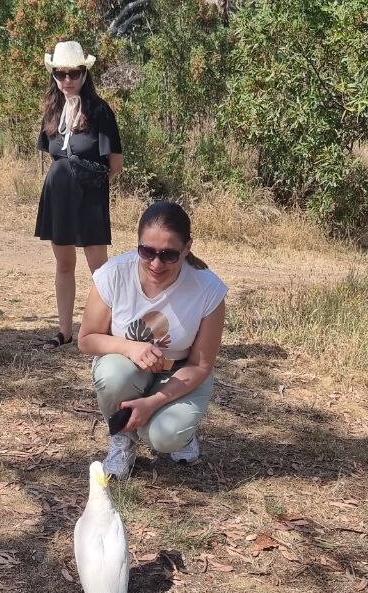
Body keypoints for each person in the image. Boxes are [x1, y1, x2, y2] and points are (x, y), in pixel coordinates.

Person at [78, 200, 227, 478]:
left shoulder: (208, 290)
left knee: (163, 436)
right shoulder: (113, 274)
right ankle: (122, 441)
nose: (156, 264)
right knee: (112, 374)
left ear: (187, 248)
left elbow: (200, 365)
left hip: (180, 373)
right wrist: (129, 347)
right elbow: (86, 339)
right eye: (147, 251)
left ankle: (178, 433)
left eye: (169, 255)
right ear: (138, 244)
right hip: (128, 369)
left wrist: (153, 402)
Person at [35, 40, 123, 349]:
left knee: (99, 270)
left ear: (85, 73)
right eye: (60, 74)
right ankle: (64, 331)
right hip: (58, 195)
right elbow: (53, 154)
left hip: (89, 196)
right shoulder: (53, 109)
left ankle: (109, 330)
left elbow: (115, 164)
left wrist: (89, 184)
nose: (67, 80)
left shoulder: (100, 111)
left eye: (73, 73)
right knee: (64, 264)